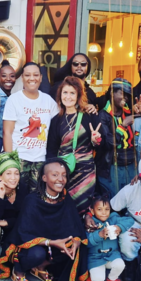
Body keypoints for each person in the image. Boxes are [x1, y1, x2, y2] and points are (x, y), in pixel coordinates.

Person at [0, 158, 89, 281]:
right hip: (28, 247)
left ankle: (39, 267)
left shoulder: (65, 198)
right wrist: (51, 243)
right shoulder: (32, 200)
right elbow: (23, 235)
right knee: (37, 254)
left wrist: (76, 241)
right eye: (55, 175)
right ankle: (18, 272)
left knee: (72, 247)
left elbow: (75, 226)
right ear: (44, 177)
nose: (60, 179)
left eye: (64, 175)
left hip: (52, 245)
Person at [46, 76, 102, 216]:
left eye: (72, 93)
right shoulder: (56, 120)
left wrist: (96, 140)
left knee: (84, 207)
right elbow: (51, 150)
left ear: (78, 96)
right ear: (60, 95)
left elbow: (101, 144)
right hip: (64, 172)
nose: (68, 97)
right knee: (65, 207)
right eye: (65, 92)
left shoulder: (89, 116)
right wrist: (54, 173)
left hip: (85, 172)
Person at [2, 62, 59, 193]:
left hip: (40, 159)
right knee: (16, 195)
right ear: (22, 78)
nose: (32, 78)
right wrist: (10, 163)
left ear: (41, 78)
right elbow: (7, 132)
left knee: (36, 196)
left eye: (35, 75)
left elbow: (61, 121)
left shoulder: (48, 100)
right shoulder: (14, 100)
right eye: (27, 75)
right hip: (19, 157)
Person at [85, 194, 133, 281]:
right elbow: (87, 243)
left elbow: (130, 220)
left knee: (120, 265)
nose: (104, 213)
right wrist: (99, 235)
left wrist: (119, 227)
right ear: (92, 211)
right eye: (99, 209)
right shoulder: (90, 223)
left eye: (107, 209)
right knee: (97, 279)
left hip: (112, 254)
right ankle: (93, 274)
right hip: (95, 257)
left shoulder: (113, 218)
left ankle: (111, 280)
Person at [97, 79, 137, 197]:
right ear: (112, 93)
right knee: (114, 200)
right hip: (112, 167)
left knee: (130, 199)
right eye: (122, 94)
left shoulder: (128, 112)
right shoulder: (103, 115)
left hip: (130, 166)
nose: (125, 98)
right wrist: (123, 126)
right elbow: (109, 143)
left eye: (127, 96)